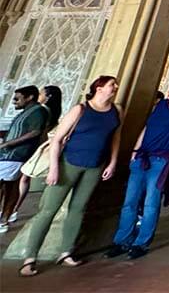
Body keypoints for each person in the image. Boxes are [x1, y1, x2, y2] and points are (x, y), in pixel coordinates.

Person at [20, 76, 122, 277]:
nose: (115, 87)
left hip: (95, 166)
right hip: (69, 164)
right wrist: (54, 169)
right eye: (112, 84)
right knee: (48, 210)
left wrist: (112, 162)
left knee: (78, 209)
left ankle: (66, 252)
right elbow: (57, 139)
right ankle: (30, 257)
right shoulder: (81, 109)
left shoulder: (117, 110)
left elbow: (116, 137)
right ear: (99, 88)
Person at [106, 76, 169, 259]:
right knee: (130, 201)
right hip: (142, 156)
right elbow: (147, 128)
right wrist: (135, 149)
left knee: (151, 203)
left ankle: (141, 243)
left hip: (162, 160)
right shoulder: (161, 105)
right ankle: (122, 240)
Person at [8, 85, 63, 225]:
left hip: (35, 146)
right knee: (24, 179)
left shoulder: (42, 110)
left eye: (41, 93)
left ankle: (12, 209)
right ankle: (14, 208)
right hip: (40, 146)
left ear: (48, 96)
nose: (39, 96)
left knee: (20, 179)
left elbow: (37, 131)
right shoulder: (53, 111)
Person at [0, 85, 50, 230]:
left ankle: (4, 219)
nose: (14, 102)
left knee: (9, 187)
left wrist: (8, 143)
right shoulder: (27, 112)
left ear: (29, 97)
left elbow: (35, 132)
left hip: (16, 155)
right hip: (9, 155)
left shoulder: (38, 111)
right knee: (8, 186)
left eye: (17, 99)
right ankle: (4, 218)